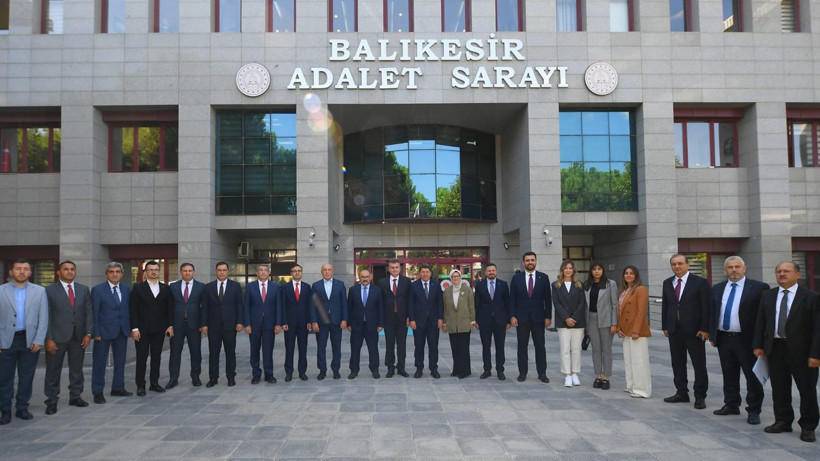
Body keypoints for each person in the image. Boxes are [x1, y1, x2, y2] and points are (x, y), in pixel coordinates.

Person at [753, 261, 820, 443]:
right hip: (775, 349)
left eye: (787, 271)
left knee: (807, 390)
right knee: (779, 388)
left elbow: (818, 328)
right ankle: (783, 421)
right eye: (779, 271)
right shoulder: (768, 295)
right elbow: (761, 322)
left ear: (798, 274)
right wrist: (758, 345)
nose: (782, 274)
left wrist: (816, 354)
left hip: (802, 352)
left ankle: (808, 426)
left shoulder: (810, 297)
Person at [709, 256, 769, 425]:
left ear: (744, 268)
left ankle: (754, 410)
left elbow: (764, 316)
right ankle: (731, 404)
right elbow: (713, 312)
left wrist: (760, 341)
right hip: (724, 338)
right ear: (725, 270)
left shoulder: (759, 288)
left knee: (752, 376)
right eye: (730, 267)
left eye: (737, 266)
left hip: (747, 340)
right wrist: (713, 334)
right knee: (729, 374)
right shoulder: (718, 288)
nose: (734, 270)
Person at [0, 259, 48, 424]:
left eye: (26, 269)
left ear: (30, 272)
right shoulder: (1, 291)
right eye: (18, 268)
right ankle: (5, 410)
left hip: (29, 340)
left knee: (26, 377)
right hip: (5, 340)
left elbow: (43, 318)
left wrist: (39, 340)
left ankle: (22, 407)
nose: (22, 272)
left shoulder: (40, 291)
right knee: (4, 378)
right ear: (11, 272)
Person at [661, 254, 711, 409]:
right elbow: (666, 306)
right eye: (674, 264)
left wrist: (705, 328)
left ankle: (700, 395)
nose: (677, 266)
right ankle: (681, 392)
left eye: (680, 263)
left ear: (687, 265)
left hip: (695, 331)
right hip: (674, 330)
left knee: (699, 364)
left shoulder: (700, 282)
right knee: (677, 363)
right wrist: (665, 326)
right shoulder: (667, 283)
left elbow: (706, 307)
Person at [43, 260, 93, 414]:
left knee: (77, 369)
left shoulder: (83, 289)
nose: (69, 271)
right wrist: (48, 338)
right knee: (53, 370)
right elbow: (45, 315)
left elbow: (88, 312)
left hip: (78, 337)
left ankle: (75, 396)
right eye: (66, 269)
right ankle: (51, 401)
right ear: (59, 272)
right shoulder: (49, 290)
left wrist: (88, 333)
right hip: (56, 338)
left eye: (72, 269)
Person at [129, 260, 174, 396]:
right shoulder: (138, 288)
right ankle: (140, 385)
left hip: (159, 329)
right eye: (151, 270)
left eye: (156, 270)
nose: (154, 272)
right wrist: (134, 328)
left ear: (159, 271)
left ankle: (154, 383)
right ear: (146, 272)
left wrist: (170, 325)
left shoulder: (166, 288)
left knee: (156, 357)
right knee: (141, 358)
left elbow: (169, 309)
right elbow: (133, 310)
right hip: (142, 330)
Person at [90, 262, 133, 404]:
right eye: (111, 272)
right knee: (99, 362)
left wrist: (130, 328)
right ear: (106, 274)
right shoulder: (98, 290)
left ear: (122, 274)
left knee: (120, 361)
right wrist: (95, 331)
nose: (115, 274)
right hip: (103, 332)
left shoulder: (126, 289)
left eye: (117, 271)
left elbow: (127, 309)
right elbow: (94, 312)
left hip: (121, 331)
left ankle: (118, 388)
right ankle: (97, 392)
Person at [510, 252, 552, 383]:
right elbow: (512, 299)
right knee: (522, 346)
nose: (530, 262)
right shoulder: (516, 278)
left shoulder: (543, 278)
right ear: (523, 263)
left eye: (532, 260)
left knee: (540, 346)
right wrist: (512, 315)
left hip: (538, 318)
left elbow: (548, 299)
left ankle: (542, 373)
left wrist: (548, 316)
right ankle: (522, 373)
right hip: (521, 318)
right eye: (527, 260)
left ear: (536, 261)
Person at [202, 262, 244, 387]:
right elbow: (205, 307)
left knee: (230, 352)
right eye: (219, 270)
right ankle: (213, 378)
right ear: (216, 271)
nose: (222, 272)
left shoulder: (235, 286)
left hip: (230, 325)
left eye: (224, 270)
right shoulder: (208, 287)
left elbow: (239, 305)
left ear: (227, 271)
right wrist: (204, 324)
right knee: (213, 353)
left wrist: (240, 322)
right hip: (213, 326)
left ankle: (231, 377)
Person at [168, 263, 207, 388]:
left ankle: (195, 377)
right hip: (177, 325)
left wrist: (203, 324)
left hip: (194, 325)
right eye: (185, 271)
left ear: (193, 272)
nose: (187, 273)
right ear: (181, 272)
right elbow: (168, 307)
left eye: (190, 271)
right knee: (175, 353)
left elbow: (204, 307)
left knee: (195, 352)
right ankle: (173, 378)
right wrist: (169, 325)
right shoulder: (173, 286)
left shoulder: (201, 287)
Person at [617, 265, 652, 398]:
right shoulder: (624, 291)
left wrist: (636, 330)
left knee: (639, 361)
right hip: (625, 330)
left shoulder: (640, 289)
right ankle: (631, 385)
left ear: (636, 275)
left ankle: (642, 389)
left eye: (631, 273)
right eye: (626, 273)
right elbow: (620, 311)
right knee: (629, 360)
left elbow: (641, 311)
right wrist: (619, 328)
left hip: (637, 331)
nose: (628, 275)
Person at [552, 260, 587, 388]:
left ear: (573, 270)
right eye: (566, 268)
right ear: (562, 270)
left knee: (576, 349)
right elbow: (556, 303)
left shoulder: (579, 285)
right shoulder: (555, 285)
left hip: (578, 321)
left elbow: (582, 303)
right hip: (563, 321)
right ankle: (567, 374)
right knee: (565, 349)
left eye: (570, 268)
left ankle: (574, 373)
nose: (568, 270)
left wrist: (574, 318)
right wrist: (566, 318)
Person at [244, 264, 281, 384]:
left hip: (270, 324)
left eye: (265, 270)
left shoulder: (275, 287)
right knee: (254, 350)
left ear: (269, 273)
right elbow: (246, 307)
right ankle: (256, 374)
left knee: (268, 350)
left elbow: (278, 307)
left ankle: (269, 374)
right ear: (257, 273)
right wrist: (247, 324)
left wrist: (278, 324)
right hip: (254, 324)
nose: (263, 272)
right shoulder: (250, 287)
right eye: (261, 270)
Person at [583, 262, 618, 390]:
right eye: (594, 269)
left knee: (606, 350)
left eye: (599, 269)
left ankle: (606, 377)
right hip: (591, 319)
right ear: (591, 271)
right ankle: (598, 376)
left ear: (603, 270)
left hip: (606, 320)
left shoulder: (610, 284)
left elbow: (614, 304)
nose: (597, 271)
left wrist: (614, 323)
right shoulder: (587, 285)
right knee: (596, 349)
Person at [474, 263, 510, 380]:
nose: (491, 272)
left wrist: (508, 320)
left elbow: (507, 303)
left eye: (493, 270)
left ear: (496, 271)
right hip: (484, 321)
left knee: (500, 346)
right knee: (486, 346)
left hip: (500, 321)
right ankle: (487, 370)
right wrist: (477, 320)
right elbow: (477, 304)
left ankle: (500, 370)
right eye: (489, 271)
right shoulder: (480, 285)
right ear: (485, 273)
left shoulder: (503, 285)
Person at [311, 263, 348, 380]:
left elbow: (344, 303)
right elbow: (313, 305)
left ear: (333, 271)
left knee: (336, 347)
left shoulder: (340, 284)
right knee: (321, 347)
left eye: (329, 270)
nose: (327, 272)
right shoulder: (316, 285)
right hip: (321, 322)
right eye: (325, 270)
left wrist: (344, 319)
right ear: (322, 272)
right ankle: (322, 370)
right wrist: (314, 321)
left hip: (337, 321)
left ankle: (336, 370)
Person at [347, 269, 384, 379]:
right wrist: (349, 323)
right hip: (356, 325)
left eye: (367, 276)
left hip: (372, 325)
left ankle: (375, 369)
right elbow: (349, 307)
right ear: (359, 277)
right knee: (355, 349)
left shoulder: (377, 290)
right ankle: (354, 370)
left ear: (370, 277)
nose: (365, 279)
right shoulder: (353, 290)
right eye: (362, 276)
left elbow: (380, 308)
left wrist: (380, 323)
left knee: (373, 349)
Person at [409, 264, 444, 378]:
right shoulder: (414, 286)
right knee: (419, 346)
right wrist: (412, 319)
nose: (425, 274)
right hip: (418, 322)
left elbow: (440, 303)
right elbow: (410, 304)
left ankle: (434, 368)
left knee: (433, 346)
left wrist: (440, 318)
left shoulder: (436, 285)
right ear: (419, 273)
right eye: (423, 272)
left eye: (427, 272)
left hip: (433, 321)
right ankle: (419, 368)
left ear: (430, 273)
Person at [378, 260, 411, 378]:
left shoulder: (407, 281)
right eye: (392, 267)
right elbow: (380, 302)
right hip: (389, 318)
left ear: (400, 268)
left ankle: (401, 367)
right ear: (388, 269)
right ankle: (390, 368)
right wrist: (381, 320)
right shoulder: (382, 282)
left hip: (402, 318)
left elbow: (410, 300)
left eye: (396, 267)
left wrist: (409, 317)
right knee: (389, 344)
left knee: (402, 344)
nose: (394, 269)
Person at [280, 264, 313, 382]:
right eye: (295, 271)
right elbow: (282, 306)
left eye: (299, 270)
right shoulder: (285, 287)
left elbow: (310, 305)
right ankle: (289, 372)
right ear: (291, 273)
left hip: (303, 324)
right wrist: (283, 321)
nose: (297, 272)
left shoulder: (307, 287)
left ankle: (302, 372)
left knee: (303, 349)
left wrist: (309, 321)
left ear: (302, 273)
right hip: (289, 324)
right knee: (289, 349)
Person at [442, 269, 475, 379]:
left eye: (457, 276)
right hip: (452, 324)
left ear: (460, 278)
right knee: (454, 348)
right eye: (453, 277)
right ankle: (456, 369)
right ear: (451, 279)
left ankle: (465, 371)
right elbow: (445, 309)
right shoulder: (447, 292)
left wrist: (472, 321)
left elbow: (471, 306)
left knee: (464, 349)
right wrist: (444, 323)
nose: (456, 278)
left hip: (464, 323)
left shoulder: (467, 290)